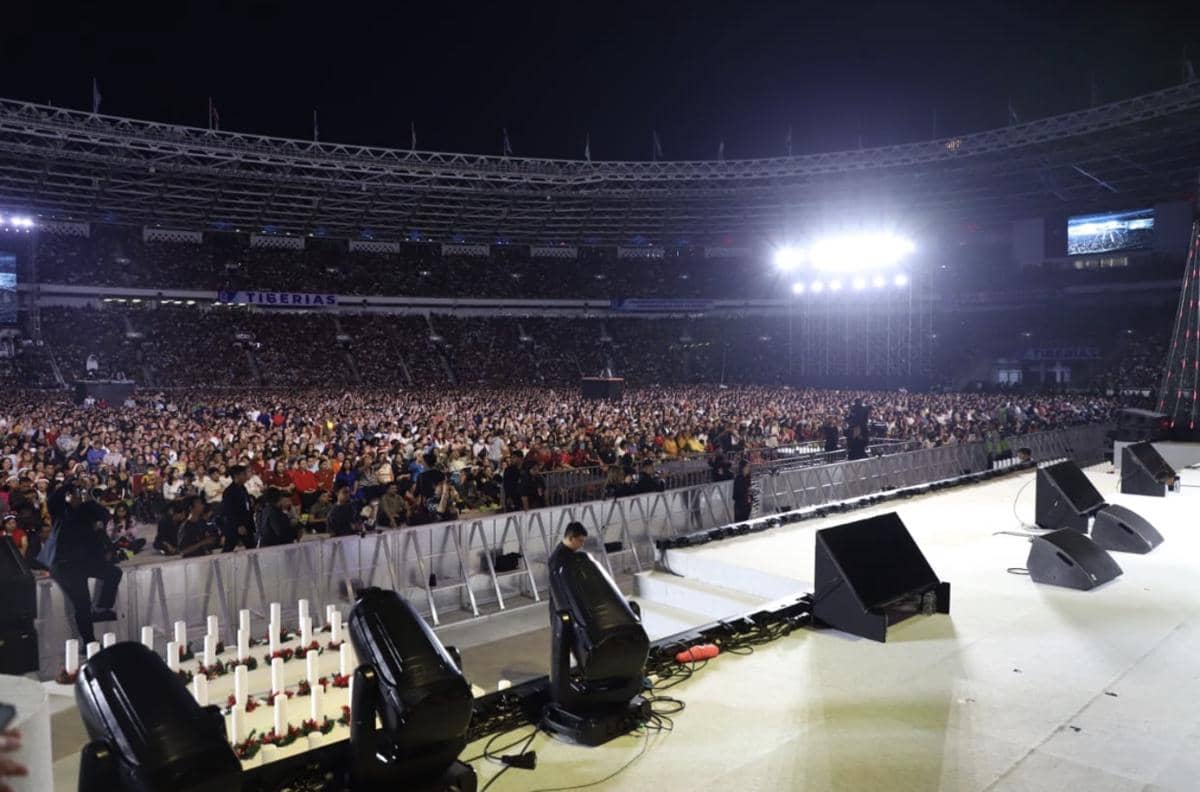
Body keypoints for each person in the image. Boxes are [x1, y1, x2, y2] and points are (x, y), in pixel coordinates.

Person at [47, 479, 123, 646]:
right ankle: (89, 641)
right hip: (65, 564)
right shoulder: (62, 513)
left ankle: (101, 608)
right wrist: (69, 485)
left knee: (114, 573)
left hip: (84, 561)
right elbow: (52, 501)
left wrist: (88, 495)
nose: (78, 497)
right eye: (75, 495)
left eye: (80, 494)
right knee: (83, 603)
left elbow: (104, 514)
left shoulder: (86, 509)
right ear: (68, 497)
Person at [219, 464, 255, 552]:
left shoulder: (243, 488)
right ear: (236, 476)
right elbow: (229, 511)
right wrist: (238, 525)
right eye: (243, 474)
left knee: (251, 548)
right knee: (229, 547)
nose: (246, 476)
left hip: (246, 523)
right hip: (235, 526)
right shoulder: (229, 492)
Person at [732, 458, 753, 522]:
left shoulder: (747, 477)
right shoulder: (739, 478)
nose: (749, 468)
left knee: (745, 521)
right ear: (743, 467)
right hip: (740, 504)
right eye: (748, 466)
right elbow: (739, 492)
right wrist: (748, 491)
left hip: (747, 504)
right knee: (740, 521)